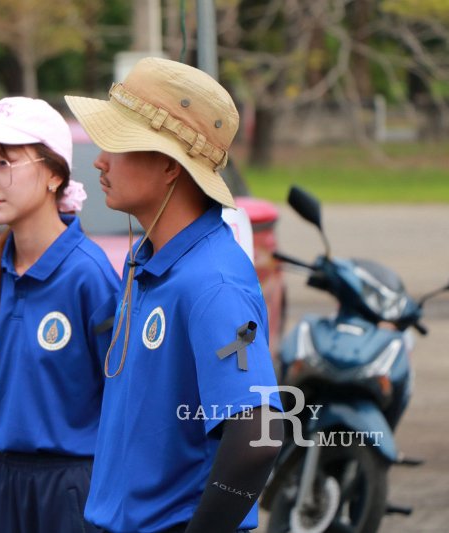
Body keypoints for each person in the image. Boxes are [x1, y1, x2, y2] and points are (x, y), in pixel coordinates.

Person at [64, 57, 285, 533]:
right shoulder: (148, 260)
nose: (100, 160)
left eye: (118, 145)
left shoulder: (212, 282)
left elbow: (259, 434)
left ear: (169, 165)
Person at [0, 97, 119, 533]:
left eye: (3, 163)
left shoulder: (88, 275)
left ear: (55, 174)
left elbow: (125, 398)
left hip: (73, 487)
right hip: (6, 482)